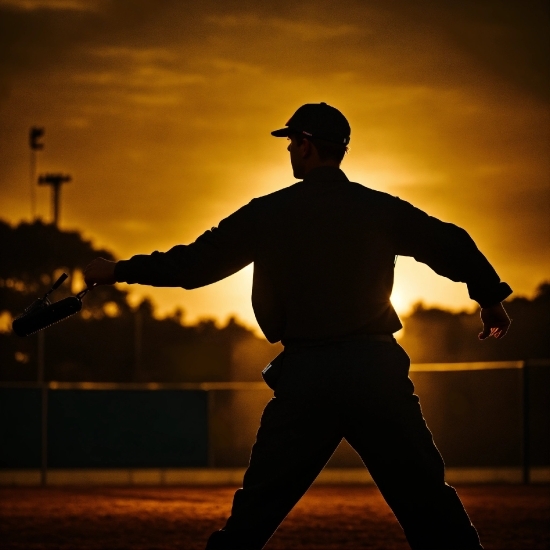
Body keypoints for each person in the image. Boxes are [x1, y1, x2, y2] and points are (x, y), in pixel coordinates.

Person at [84, 102, 512, 550]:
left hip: (308, 379)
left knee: (253, 518)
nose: (289, 149)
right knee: (433, 512)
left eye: (292, 141)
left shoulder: (269, 213)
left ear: (306, 146)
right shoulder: (378, 209)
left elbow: (194, 265)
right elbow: (452, 242)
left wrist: (117, 271)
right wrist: (490, 300)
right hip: (375, 373)